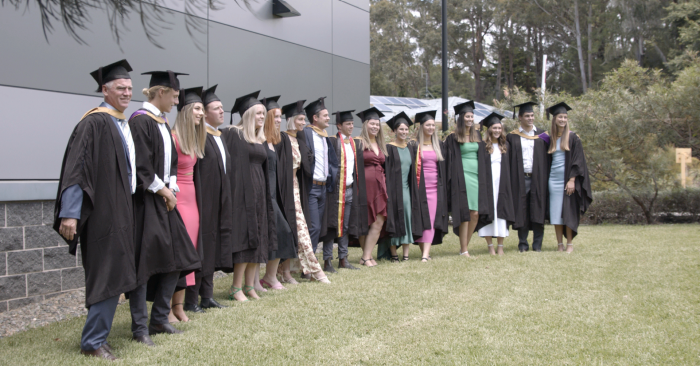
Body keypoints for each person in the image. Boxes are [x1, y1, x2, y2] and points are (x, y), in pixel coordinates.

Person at [54, 60, 138, 360]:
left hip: (119, 209)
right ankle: (92, 342)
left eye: (129, 88)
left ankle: (97, 335)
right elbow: (76, 169)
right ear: (105, 90)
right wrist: (70, 212)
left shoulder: (118, 122)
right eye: (120, 88)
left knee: (113, 270)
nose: (126, 93)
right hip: (103, 211)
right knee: (106, 271)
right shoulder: (94, 122)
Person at [127, 70, 201, 342]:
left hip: (166, 202)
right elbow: (141, 167)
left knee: (178, 259)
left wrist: (172, 189)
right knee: (144, 266)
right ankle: (139, 328)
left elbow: (169, 165)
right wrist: (165, 192)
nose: (176, 99)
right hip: (146, 203)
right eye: (174, 94)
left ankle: (159, 319)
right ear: (160, 92)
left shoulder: (161, 122)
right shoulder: (140, 122)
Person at [221, 91, 276, 301]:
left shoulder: (260, 138)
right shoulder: (233, 133)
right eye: (258, 113)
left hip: (259, 193)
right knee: (244, 238)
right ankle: (235, 287)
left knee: (259, 237)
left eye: (263, 114)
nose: (262, 117)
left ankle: (249, 285)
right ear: (248, 114)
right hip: (241, 194)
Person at [184, 84, 231, 310]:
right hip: (202, 199)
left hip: (218, 200)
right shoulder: (198, 136)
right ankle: (191, 300)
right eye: (216, 108)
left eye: (222, 107)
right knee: (200, 246)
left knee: (211, 245)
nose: (221, 111)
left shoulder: (219, 136)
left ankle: (207, 295)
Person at [279, 100, 330, 283]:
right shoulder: (282, 139)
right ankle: (315, 270)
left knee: (296, 230)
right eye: (300, 119)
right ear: (291, 119)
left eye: (303, 120)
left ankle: (285, 272)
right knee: (301, 230)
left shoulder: (298, 138)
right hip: (286, 190)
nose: (303, 123)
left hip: (298, 188)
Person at [168, 86, 206, 323]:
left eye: (202, 109)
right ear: (186, 111)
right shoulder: (172, 138)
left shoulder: (192, 139)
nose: (201, 114)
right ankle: (167, 308)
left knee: (189, 251)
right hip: (178, 199)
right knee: (177, 254)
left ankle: (179, 306)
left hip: (192, 200)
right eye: (198, 109)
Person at [540, 102, 592, 253]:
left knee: (568, 212)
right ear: (554, 119)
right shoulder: (549, 138)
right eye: (560, 117)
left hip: (567, 180)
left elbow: (578, 160)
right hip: (553, 180)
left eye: (565, 117)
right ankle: (559, 245)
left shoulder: (573, 137)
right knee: (556, 213)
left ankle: (569, 244)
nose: (563, 120)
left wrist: (572, 180)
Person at [257, 95, 297, 290]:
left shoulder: (275, 141)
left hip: (274, 194)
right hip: (263, 195)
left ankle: (269, 277)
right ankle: (260, 279)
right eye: (276, 116)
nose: (280, 120)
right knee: (274, 233)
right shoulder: (259, 140)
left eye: (281, 117)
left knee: (282, 232)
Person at [319, 110, 366, 272]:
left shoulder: (354, 143)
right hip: (334, 192)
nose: (351, 126)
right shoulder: (332, 141)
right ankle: (327, 261)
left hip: (350, 190)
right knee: (331, 226)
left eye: (352, 124)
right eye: (348, 124)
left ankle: (343, 259)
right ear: (339, 126)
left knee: (345, 226)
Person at [296, 97, 338, 263]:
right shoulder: (305, 133)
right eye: (325, 115)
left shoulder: (324, 136)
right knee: (313, 227)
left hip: (323, 188)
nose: (328, 118)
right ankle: (309, 264)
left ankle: (309, 262)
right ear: (315, 117)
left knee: (318, 227)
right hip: (311, 187)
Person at [506, 102, 549, 252]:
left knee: (538, 209)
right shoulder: (512, 137)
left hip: (538, 179)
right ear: (520, 117)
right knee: (522, 211)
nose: (530, 118)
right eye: (527, 116)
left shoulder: (543, 136)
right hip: (519, 179)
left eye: (532, 115)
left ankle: (537, 245)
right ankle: (523, 244)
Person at [445, 101, 485, 258]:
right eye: (467, 116)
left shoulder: (477, 135)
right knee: (465, 213)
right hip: (462, 177)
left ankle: (464, 247)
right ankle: (464, 249)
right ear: (461, 118)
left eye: (472, 116)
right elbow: (448, 159)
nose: (470, 119)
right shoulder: (453, 138)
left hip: (476, 176)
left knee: (475, 213)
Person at [411, 110, 448, 262]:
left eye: (433, 125)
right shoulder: (414, 145)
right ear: (421, 127)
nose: (431, 128)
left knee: (431, 219)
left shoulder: (438, 144)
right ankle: (424, 252)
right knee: (423, 219)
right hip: (420, 188)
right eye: (428, 125)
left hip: (435, 188)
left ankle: (425, 254)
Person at [476, 112, 515, 255]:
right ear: (489, 130)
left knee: (501, 214)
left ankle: (500, 246)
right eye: (494, 128)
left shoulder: (505, 146)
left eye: (499, 128)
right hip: (487, 184)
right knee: (488, 212)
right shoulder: (483, 146)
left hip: (502, 184)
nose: (497, 131)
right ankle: (490, 246)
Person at [383, 112, 419, 262]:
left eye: (406, 129)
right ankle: (394, 255)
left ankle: (405, 255)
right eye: (401, 129)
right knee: (393, 219)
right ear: (394, 131)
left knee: (406, 219)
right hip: (392, 190)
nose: (404, 132)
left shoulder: (410, 148)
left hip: (407, 190)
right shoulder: (389, 148)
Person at [356, 107, 388, 267]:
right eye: (372, 123)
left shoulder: (380, 143)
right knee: (366, 221)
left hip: (380, 186)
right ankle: (366, 256)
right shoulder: (359, 142)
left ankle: (366, 256)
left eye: (377, 124)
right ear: (365, 124)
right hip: (364, 186)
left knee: (379, 220)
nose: (375, 127)